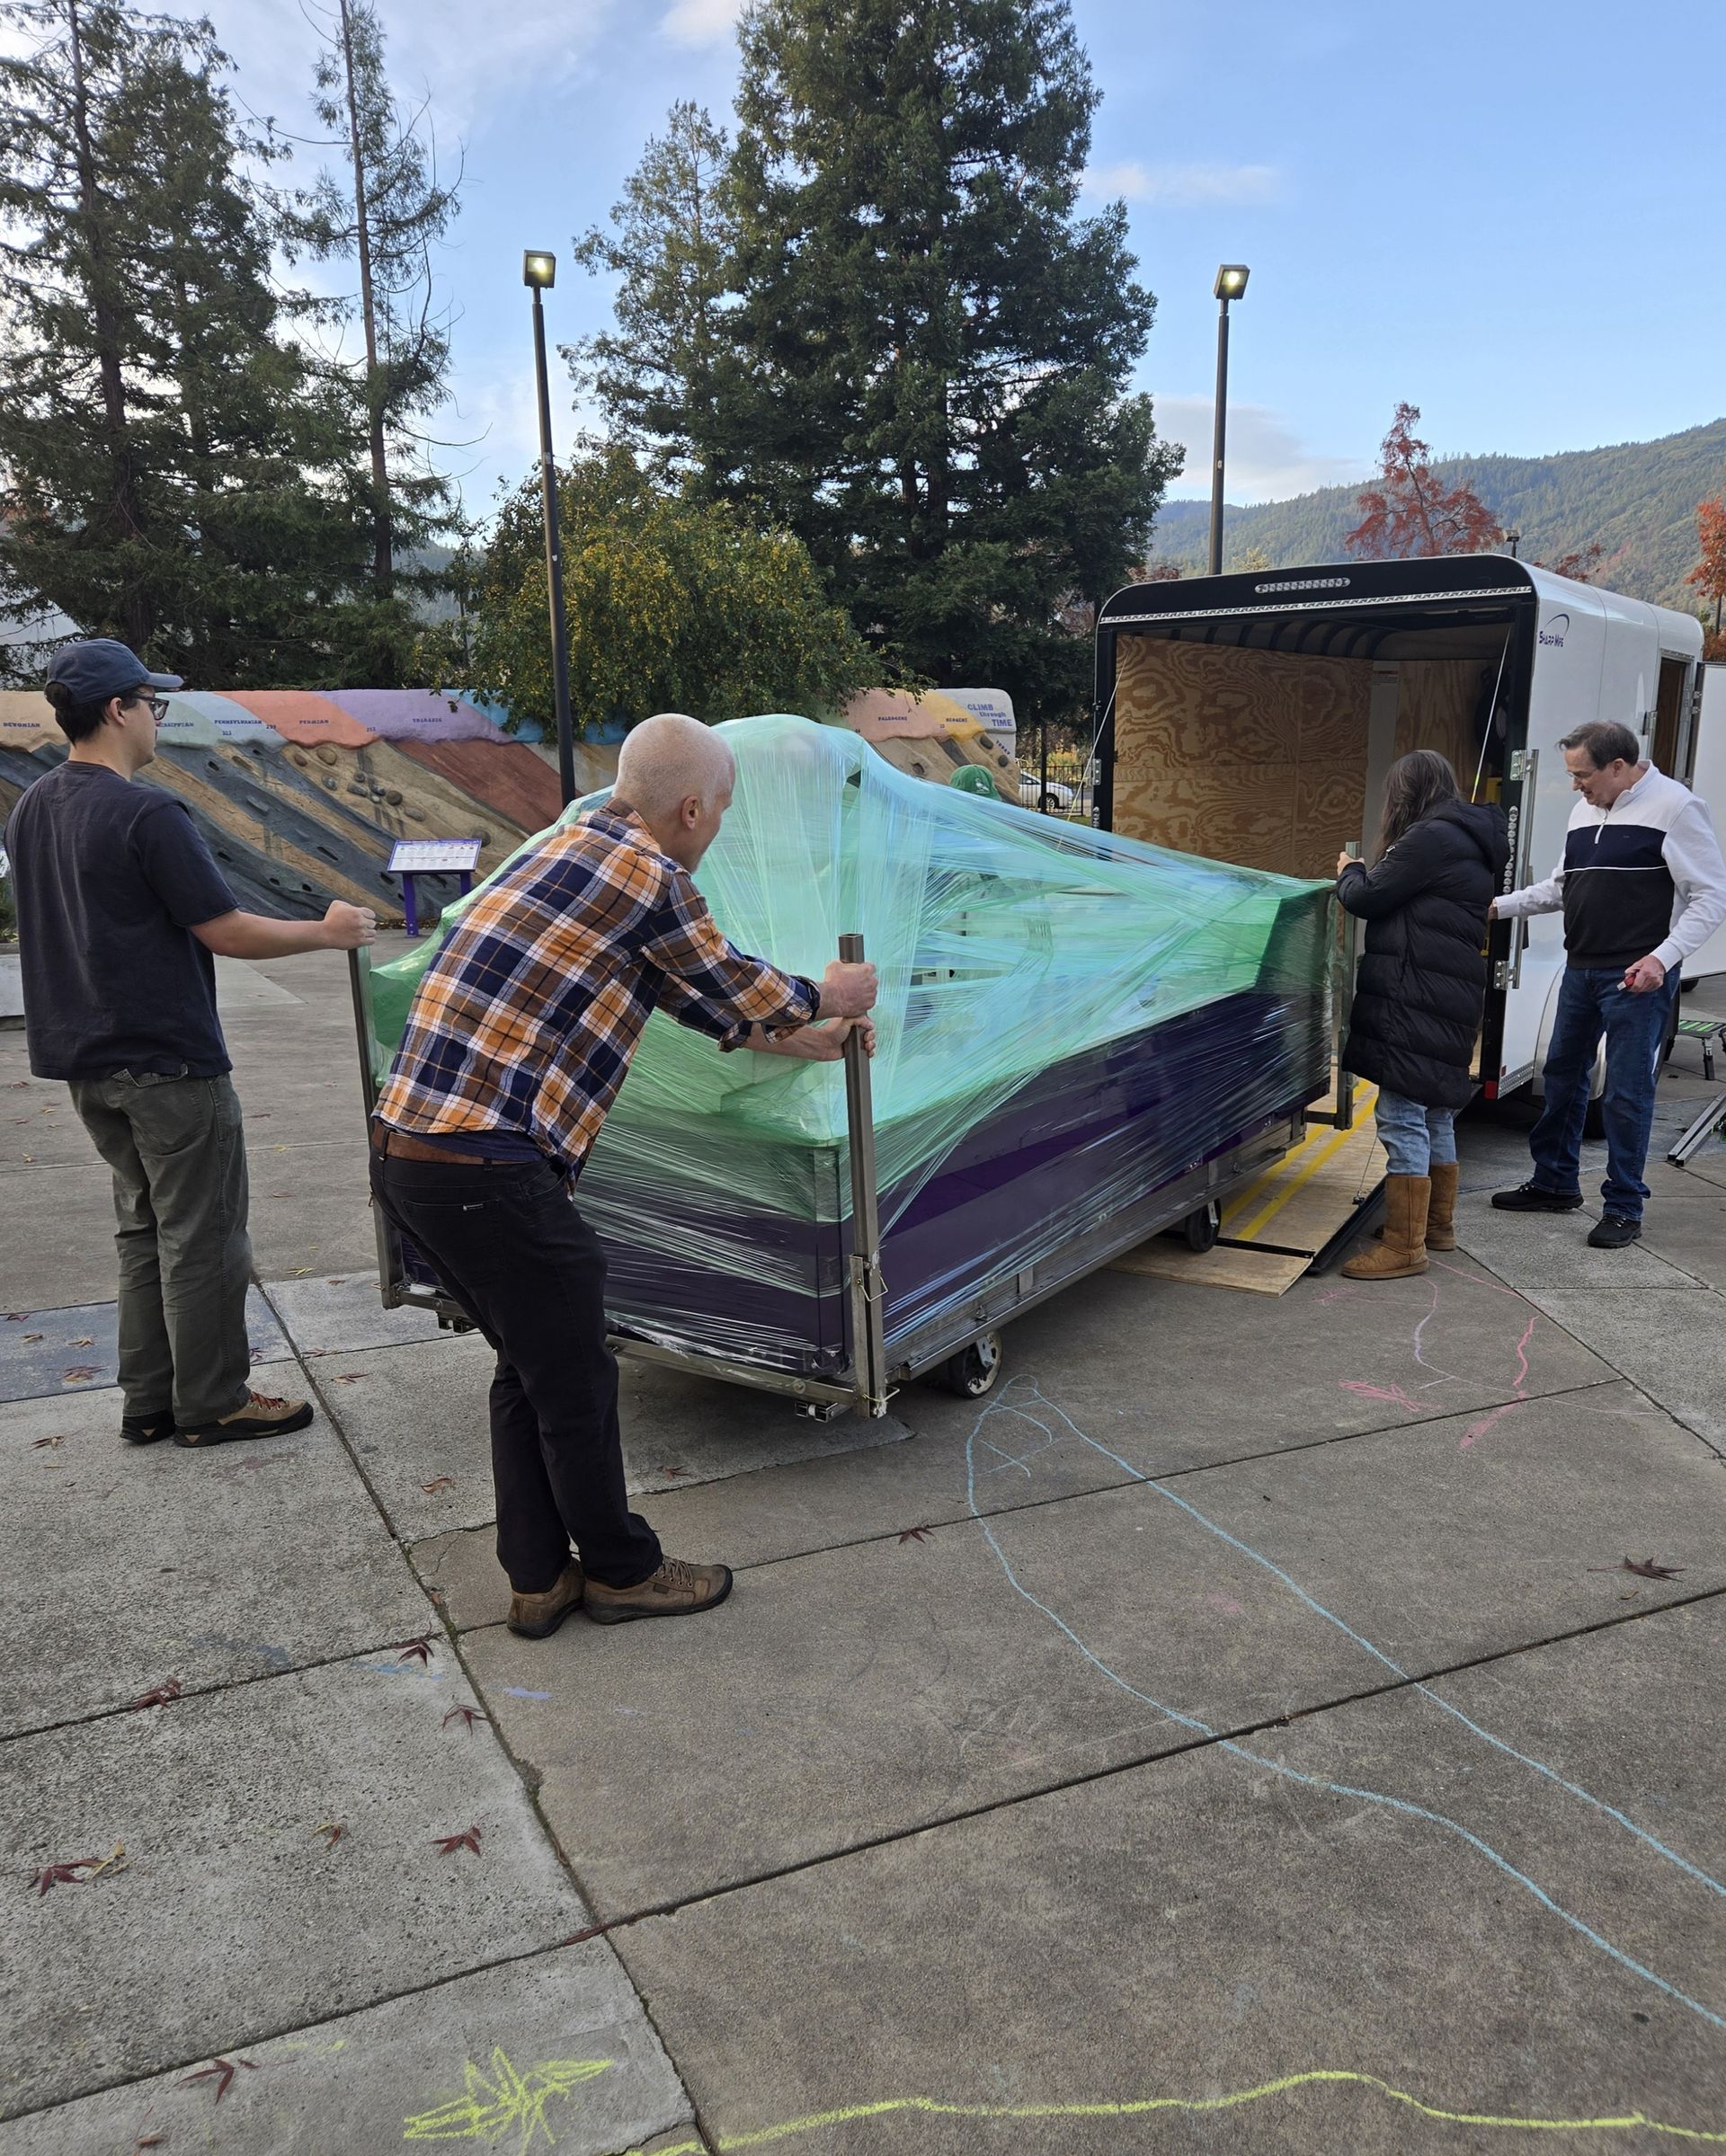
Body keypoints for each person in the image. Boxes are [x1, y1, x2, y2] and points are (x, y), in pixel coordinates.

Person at [369, 712, 877, 1638]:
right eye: (720, 810)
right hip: (489, 1163)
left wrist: (814, 1037)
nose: (719, 828)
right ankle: (621, 1568)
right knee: (575, 1378)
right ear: (690, 807)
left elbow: (700, 1000)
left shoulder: (566, 853)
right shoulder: (648, 873)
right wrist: (830, 993)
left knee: (532, 1367)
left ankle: (537, 1578)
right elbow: (733, 980)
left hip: (417, 1157)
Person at [4, 639, 377, 1447]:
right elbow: (227, 931)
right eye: (152, 702)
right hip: (169, 1063)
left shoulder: (34, 805)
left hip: (86, 1063)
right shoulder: (146, 812)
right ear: (117, 710)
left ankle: (149, 1399)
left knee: (143, 1229)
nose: (156, 716)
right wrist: (329, 930)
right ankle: (213, 1400)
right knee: (203, 1235)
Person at [1490, 720, 1726, 1247]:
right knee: (1562, 1076)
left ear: (1618, 766)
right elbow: (1560, 887)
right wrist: (1497, 907)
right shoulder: (1585, 811)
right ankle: (1554, 1183)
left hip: (1637, 978)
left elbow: (1712, 897)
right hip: (1581, 967)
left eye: (1583, 774)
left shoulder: (1676, 807)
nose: (1576, 785)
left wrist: (1661, 960)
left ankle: (1623, 1207)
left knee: (1624, 1093)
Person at [1334, 750, 1508, 1280]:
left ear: (1405, 792)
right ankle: (1437, 1227)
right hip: (1448, 992)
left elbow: (1370, 897)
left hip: (1416, 992)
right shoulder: (1472, 838)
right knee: (1435, 1110)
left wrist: (1351, 870)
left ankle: (1405, 1247)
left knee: (1401, 1113)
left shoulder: (1429, 838)